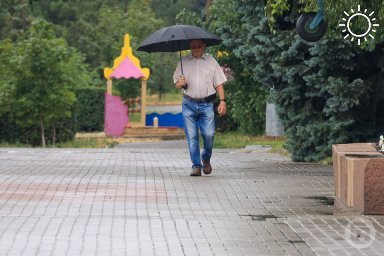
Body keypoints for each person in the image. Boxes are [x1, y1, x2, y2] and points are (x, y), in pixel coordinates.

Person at [173, 39, 227, 176]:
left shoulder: (211, 61)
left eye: (198, 46)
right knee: (192, 136)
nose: (196, 49)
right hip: (188, 104)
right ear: (189, 47)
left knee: (209, 135)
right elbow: (176, 84)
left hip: (207, 104)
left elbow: (219, 83)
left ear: (204, 46)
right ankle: (196, 166)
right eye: (193, 47)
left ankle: (206, 158)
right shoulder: (183, 62)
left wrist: (222, 101)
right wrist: (180, 83)